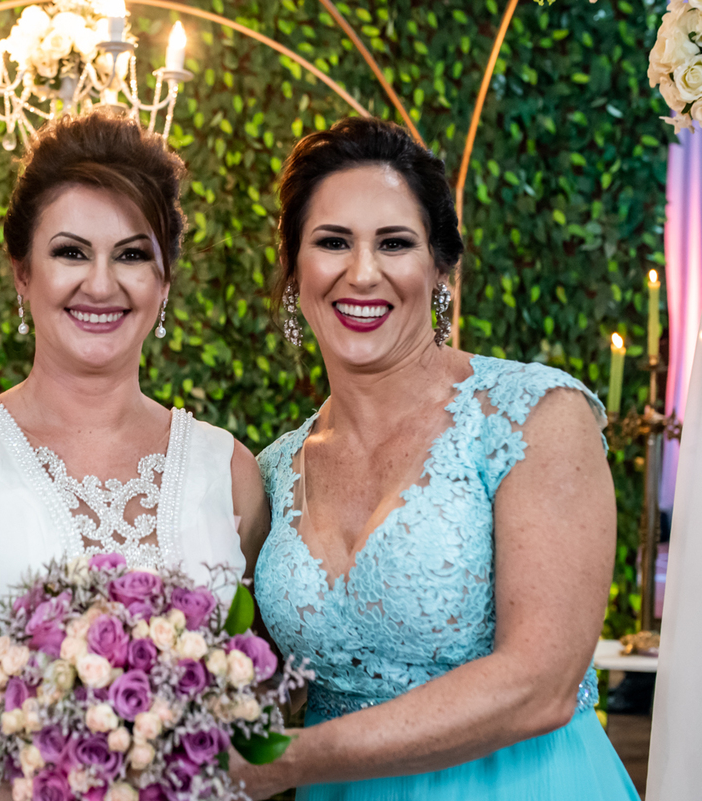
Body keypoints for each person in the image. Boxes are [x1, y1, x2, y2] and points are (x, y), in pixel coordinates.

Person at [0, 112, 270, 801]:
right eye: (71, 252)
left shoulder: (230, 473)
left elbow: (255, 707)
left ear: (165, 281)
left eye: (133, 255)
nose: (101, 284)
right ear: (23, 272)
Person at [236, 117, 639, 800]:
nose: (362, 271)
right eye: (332, 242)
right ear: (294, 271)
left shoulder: (533, 414)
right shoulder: (275, 468)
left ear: (442, 269)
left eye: (394, 243)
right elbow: (256, 681)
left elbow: (541, 685)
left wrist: (292, 759)